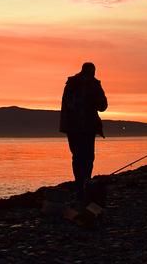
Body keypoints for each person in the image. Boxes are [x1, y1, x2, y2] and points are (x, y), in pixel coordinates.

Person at [59, 62, 108, 200]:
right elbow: (71, 104)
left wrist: (96, 100)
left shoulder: (92, 84)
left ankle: (84, 183)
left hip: (85, 128)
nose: (91, 75)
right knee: (81, 157)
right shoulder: (74, 84)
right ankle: (81, 184)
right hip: (76, 128)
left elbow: (103, 106)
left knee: (85, 157)